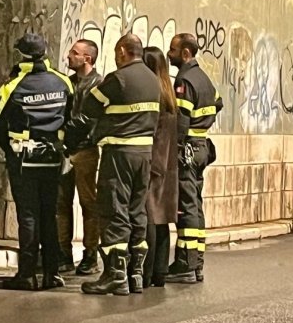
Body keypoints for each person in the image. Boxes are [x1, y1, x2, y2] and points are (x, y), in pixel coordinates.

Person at [66, 34, 160, 296]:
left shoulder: (118, 78)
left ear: (122, 51)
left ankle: (114, 275)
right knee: (137, 211)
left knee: (114, 209)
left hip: (119, 152)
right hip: (144, 154)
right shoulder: (153, 79)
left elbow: (90, 105)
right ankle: (136, 274)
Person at [0, 32, 73, 291]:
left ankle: (26, 274)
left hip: (24, 159)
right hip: (53, 158)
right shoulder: (63, 83)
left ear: (22, 55)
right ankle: (52, 273)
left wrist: (10, 150)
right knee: (49, 214)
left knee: (28, 215)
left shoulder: (13, 86)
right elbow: (72, 118)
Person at [166, 32, 222, 284]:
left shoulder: (185, 80)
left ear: (185, 53)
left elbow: (181, 120)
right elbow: (217, 103)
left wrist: (175, 150)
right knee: (195, 204)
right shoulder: (204, 78)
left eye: (173, 50)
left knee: (186, 206)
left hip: (187, 147)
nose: (169, 54)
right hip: (201, 146)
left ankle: (185, 263)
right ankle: (197, 260)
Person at [58, 39, 103, 276]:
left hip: (85, 150)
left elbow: (90, 119)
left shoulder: (99, 84)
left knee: (88, 204)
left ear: (87, 58)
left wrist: (65, 132)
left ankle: (90, 255)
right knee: (61, 203)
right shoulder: (67, 82)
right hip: (65, 150)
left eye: (74, 53)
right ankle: (63, 255)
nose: (68, 56)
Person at [141, 46, 179, 288]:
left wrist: (150, 167)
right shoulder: (169, 95)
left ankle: (146, 272)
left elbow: (156, 136)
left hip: (155, 164)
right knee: (161, 219)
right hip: (168, 165)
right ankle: (160, 272)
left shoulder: (154, 96)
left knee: (150, 219)